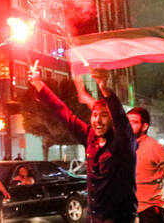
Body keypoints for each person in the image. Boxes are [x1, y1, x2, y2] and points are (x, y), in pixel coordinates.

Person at [28, 66, 136, 223]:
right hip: (94, 217)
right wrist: (39, 84)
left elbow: (121, 119)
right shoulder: (90, 137)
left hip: (119, 218)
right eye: (95, 115)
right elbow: (63, 112)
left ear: (112, 121)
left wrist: (105, 90)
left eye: (104, 115)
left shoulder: (123, 143)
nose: (97, 120)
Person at [126, 107, 164, 223]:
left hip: (151, 212)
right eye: (127, 122)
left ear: (144, 126)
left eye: (133, 122)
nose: (128, 126)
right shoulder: (124, 148)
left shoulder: (155, 148)